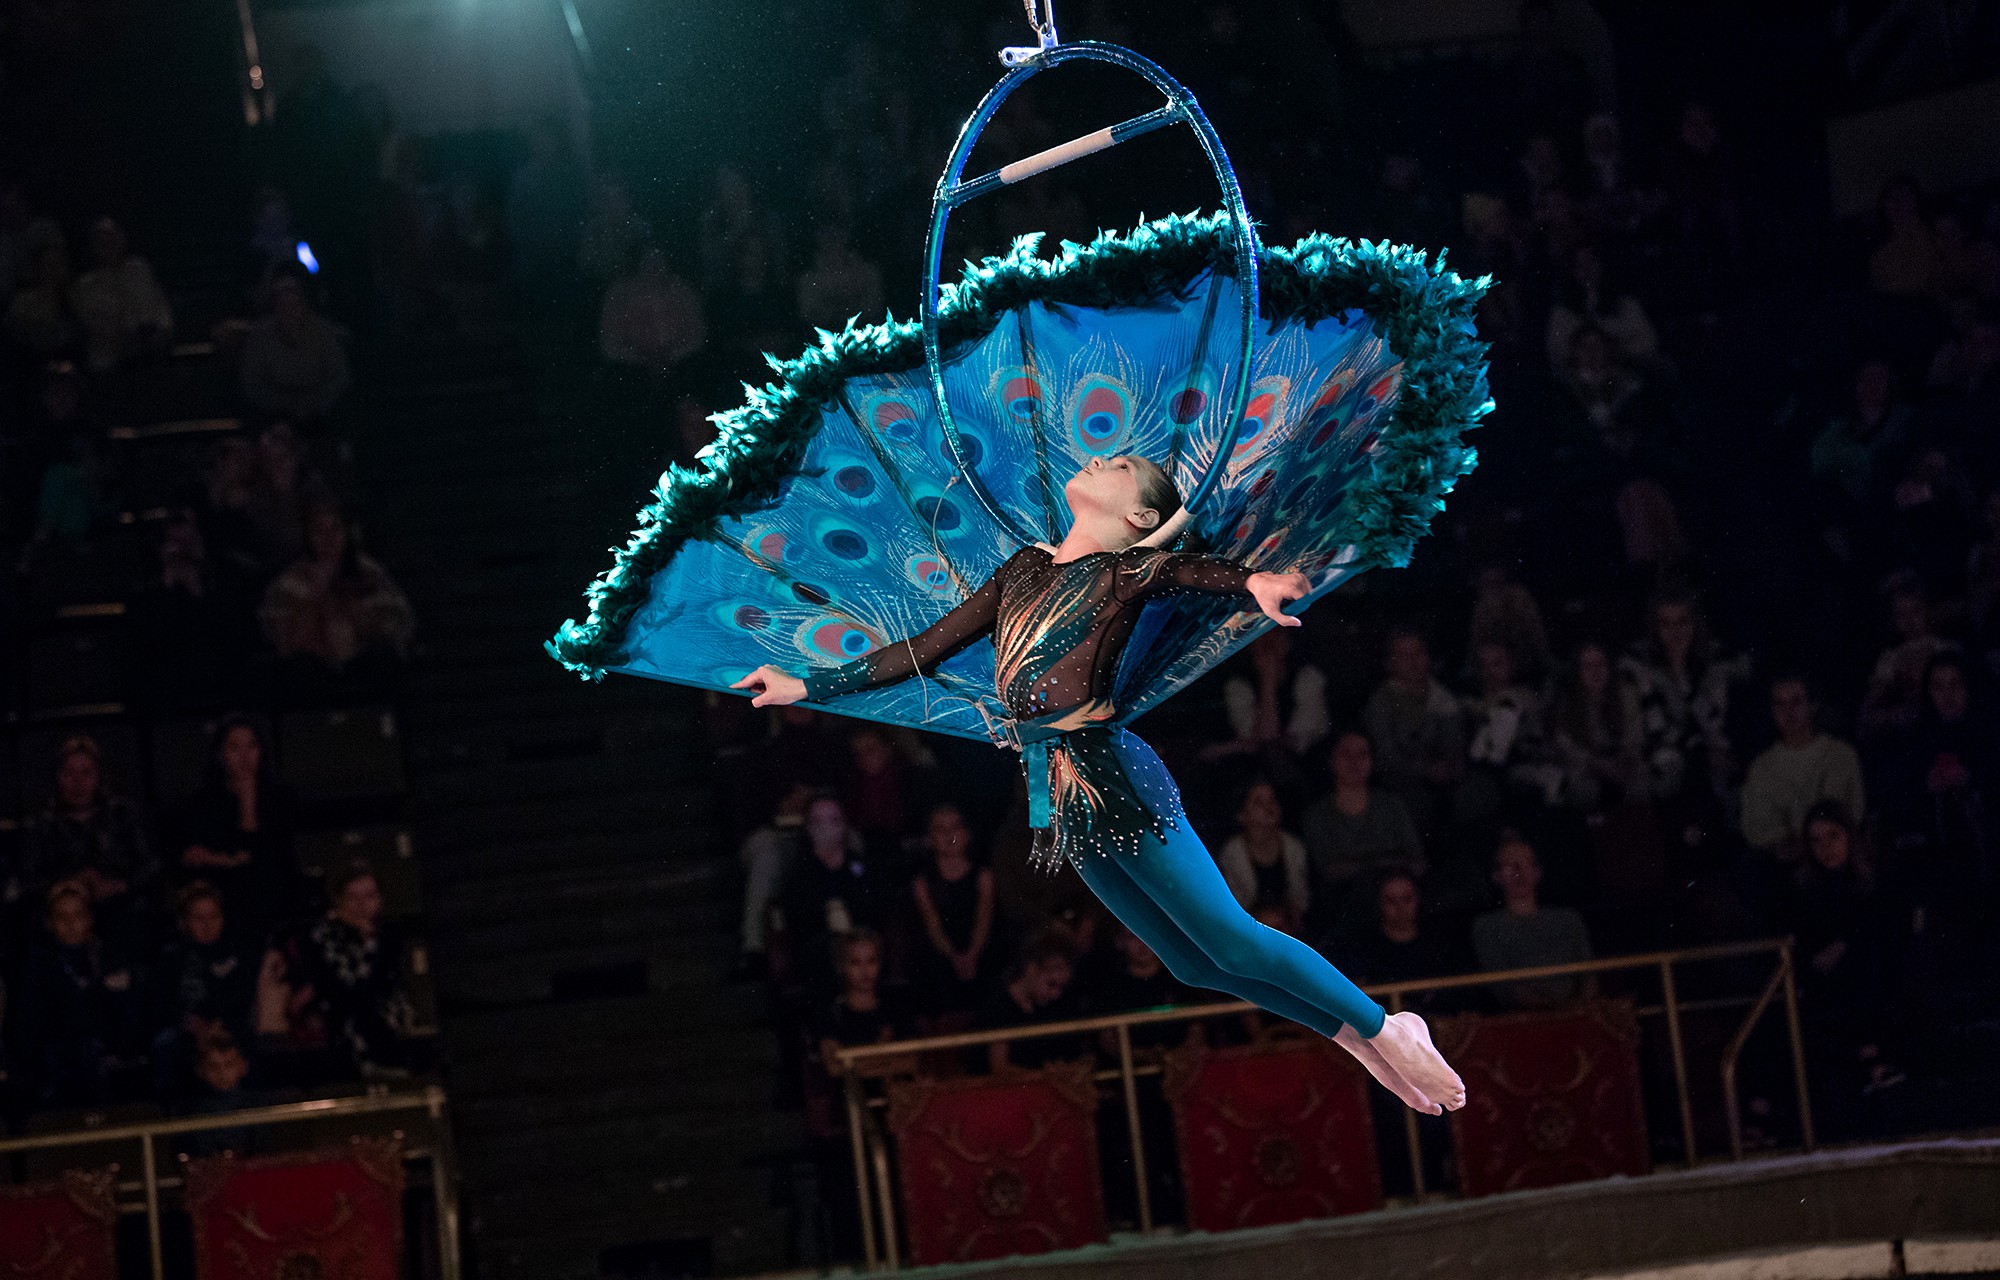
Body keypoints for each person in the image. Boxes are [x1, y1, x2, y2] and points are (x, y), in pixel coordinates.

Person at [736, 454, 1467, 1115]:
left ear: (1139, 519)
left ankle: (1385, 1026)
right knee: (1189, 962)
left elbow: (1189, 571)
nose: (1099, 457)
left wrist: (1255, 583)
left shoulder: (1121, 572)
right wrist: (805, 683)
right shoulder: (1023, 569)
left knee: (1234, 942)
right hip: (1057, 797)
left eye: (1120, 464)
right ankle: (1349, 1033)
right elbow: (924, 649)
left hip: (1112, 777)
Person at [167, 716, 306, 938]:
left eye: (251, 746)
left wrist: (248, 804)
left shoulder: (281, 799)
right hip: (223, 897)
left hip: (272, 893)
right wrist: (222, 860)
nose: (244, 757)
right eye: (234, 747)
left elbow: (259, 856)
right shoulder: (202, 804)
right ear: (220, 755)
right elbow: (192, 856)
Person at [15, 881, 148, 1107]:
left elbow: (126, 1007)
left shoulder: (107, 954)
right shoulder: (39, 963)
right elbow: (33, 1018)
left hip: (106, 1046)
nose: (71, 923)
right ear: (49, 923)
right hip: (58, 1051)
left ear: (89, 918)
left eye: (78, 914)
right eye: (62, 917)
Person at [259, 500, 416, 679]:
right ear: (308, 536)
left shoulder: (369, 573)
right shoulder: (290, 582)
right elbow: (281, 637)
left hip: (364, 667)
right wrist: (316, 597)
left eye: (335, 529)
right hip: (313, 675)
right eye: (319, 530)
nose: (328, 538)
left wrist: (357, 613)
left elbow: (397, 625)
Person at [149, 881, 259, 1101]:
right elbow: (160, 1001)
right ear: (184, 922)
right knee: (165, 1044)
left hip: (230, 1026)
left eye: (213, 916)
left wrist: (220, 1024)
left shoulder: (236, 951)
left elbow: (244, 995)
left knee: (250, 1041)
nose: (207, 925)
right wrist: (188, 1022)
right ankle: (173, 1113)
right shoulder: (171, 956)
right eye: (199, 918)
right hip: (187, 1030)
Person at [1739, 677, 1865, 860]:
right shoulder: (1762, 767)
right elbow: (1757, 827)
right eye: (1780, 704)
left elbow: (1852, 810)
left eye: (1796, 702)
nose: (1788, 712)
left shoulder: (1840, 755)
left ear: (1812, 706)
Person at [1471, 834, 1596, 1010]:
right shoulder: (1487, 927)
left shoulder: (1568, 919)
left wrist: (1580, 1008)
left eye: (1525, 863)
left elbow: (1589, 974)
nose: (1518, 871)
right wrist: (1550, 1011)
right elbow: (1504, 986)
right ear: (1497, 876)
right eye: (1509, 865)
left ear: (1537, 872)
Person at [907, 802, 996, 1015]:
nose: (949, 835)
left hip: (981, 955)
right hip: (941, 959)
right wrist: (954, 957)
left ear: (967, 834)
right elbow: (932, 925)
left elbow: (983, 920)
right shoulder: (922, 882)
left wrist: (972, 955)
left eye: (955, 827)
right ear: (929, 838)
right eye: (940, 829)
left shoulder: (983, 876)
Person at [239, 274, 352, 424]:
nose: (288, 307)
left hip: (321, 415)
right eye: (281, 300)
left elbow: (339, 378)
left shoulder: (324, 332)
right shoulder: (260, 336)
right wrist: (285, 405)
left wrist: (312, 403)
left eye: (293, 298)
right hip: (272, 417)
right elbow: (253, 384)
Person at [68, 217, 173, 373]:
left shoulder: (139, 269)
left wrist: (161, 332)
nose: (108, 244)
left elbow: (159, 307)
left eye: (112, 237)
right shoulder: (84, 286)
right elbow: (94, 326)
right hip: (108, 363)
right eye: (101, 240)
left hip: (150, 357)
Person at [1215, 778, 1310, 930]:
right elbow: (1234, 909)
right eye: (1259, 802)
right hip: (1246, 930)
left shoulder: (1294, 848)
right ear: (1241, 814)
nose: (1269, 807)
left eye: (1272, 800)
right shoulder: (1232, 852)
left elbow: (1301, 903)